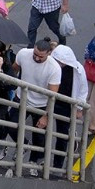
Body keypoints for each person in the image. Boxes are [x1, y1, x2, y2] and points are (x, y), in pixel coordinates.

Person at [14, 38, 63, 175]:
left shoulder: (54, 68)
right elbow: (13, 70)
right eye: (35, 54)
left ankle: (34, 162)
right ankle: (24, 144)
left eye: (41, 56)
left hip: (41, 105)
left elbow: (52, 95)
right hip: (21, 97)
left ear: (48, 54)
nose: (37, 58)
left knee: (39, 136)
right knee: (10, 124)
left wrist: (46, 116)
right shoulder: (24, 54)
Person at [49, 42, 88, 170]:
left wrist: (79, 109)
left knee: (62, 135)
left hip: (66, 106)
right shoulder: (51, 65)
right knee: (44, 132)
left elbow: (83, 89)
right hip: (50, 102)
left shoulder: (78, 70)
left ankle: (57, 165)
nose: (59, 64)